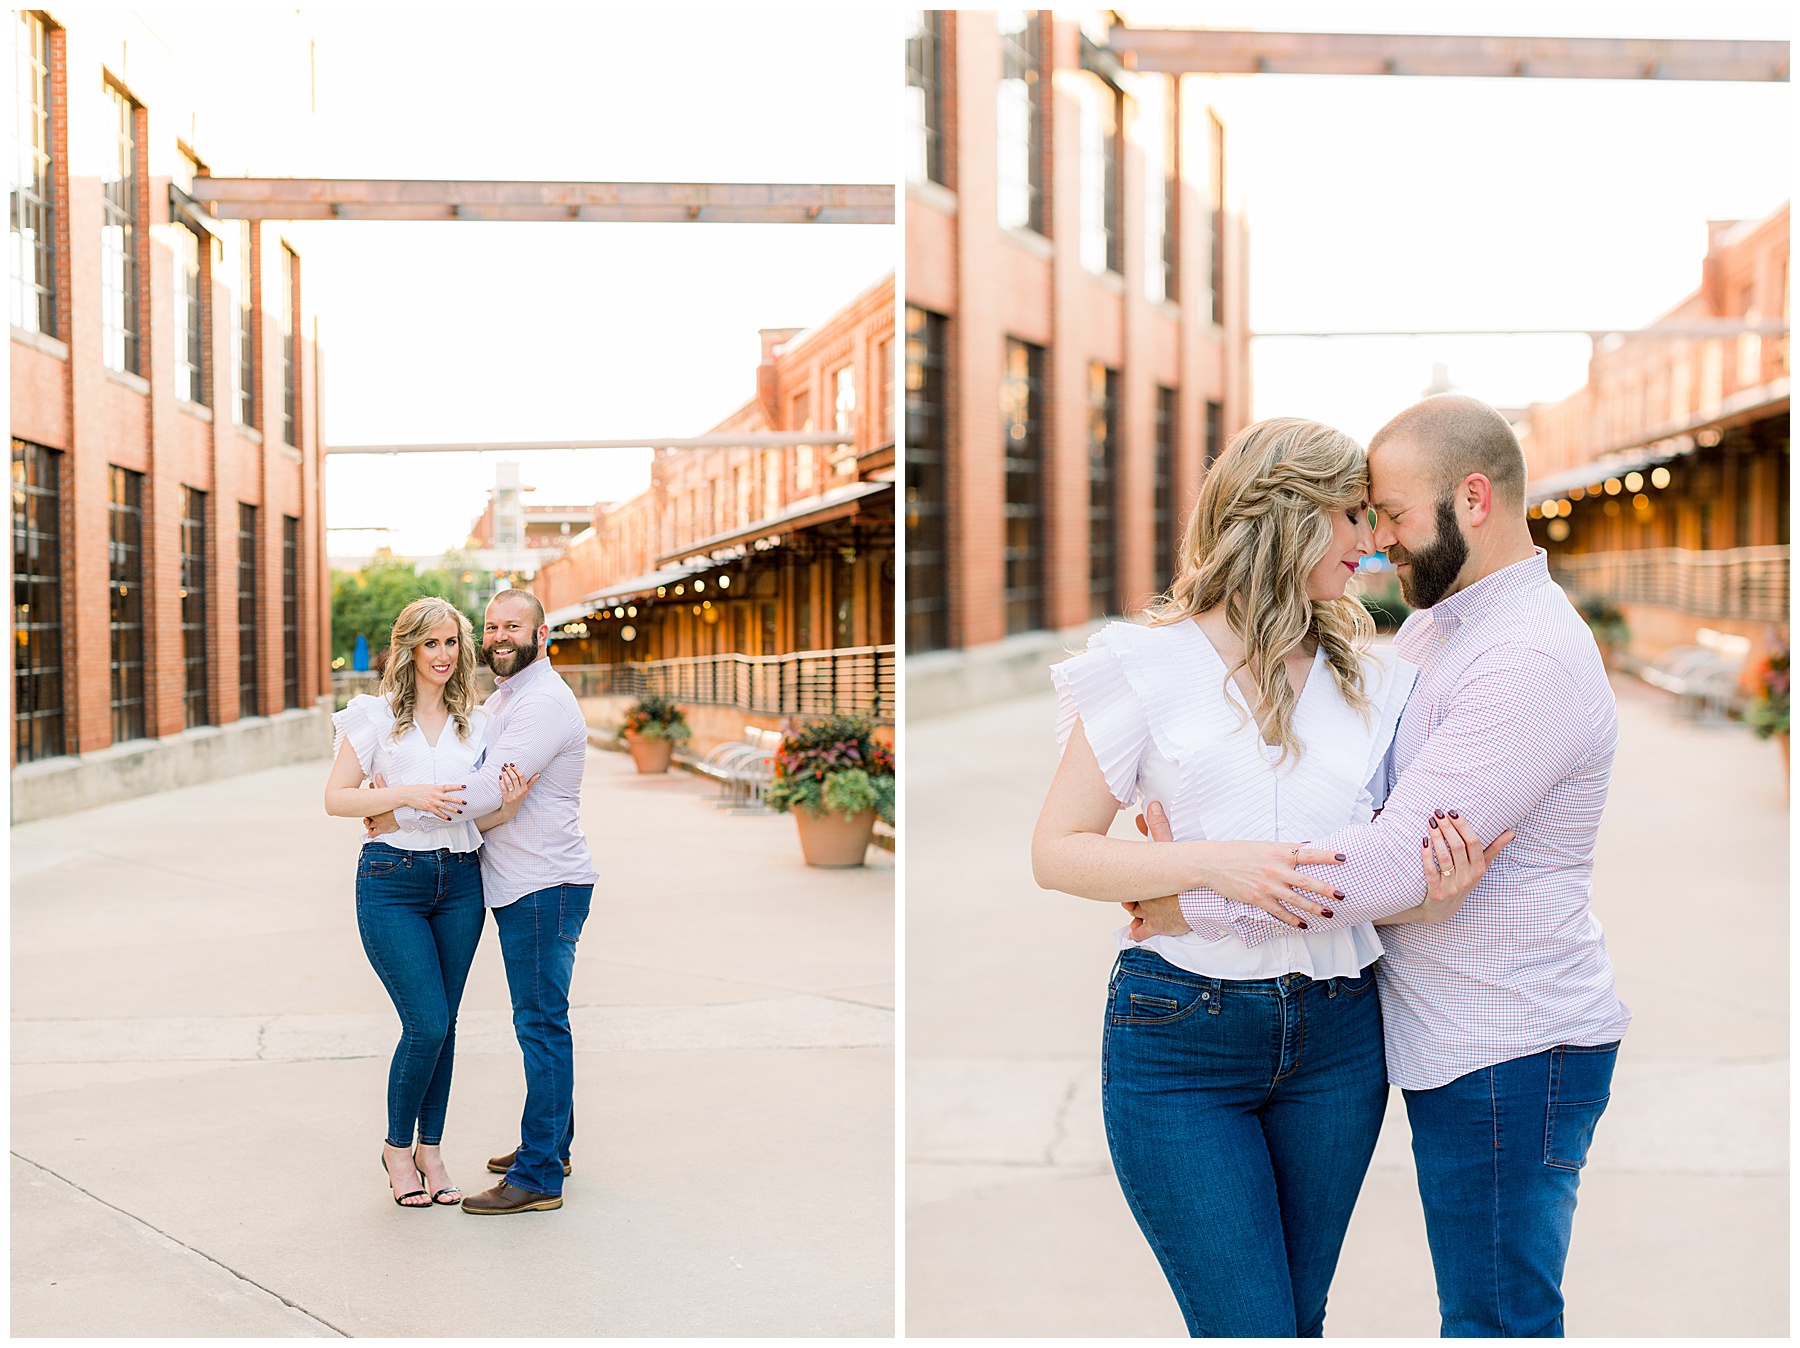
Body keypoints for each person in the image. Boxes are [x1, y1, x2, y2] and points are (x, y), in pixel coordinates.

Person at [1131, 395, 1630, 1337]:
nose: (1377, 542)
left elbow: (1398, 861)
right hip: (1448, 1031)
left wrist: (1191, 894)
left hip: (1509, 1040)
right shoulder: (1445, 623)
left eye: (1392, 515)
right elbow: (1365, 808)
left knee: (1498, 1322)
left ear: (1472, 499)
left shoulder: (1526, 657)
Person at [1032, 417, 1509, 1337]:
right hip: (1180, 1040)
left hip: (1338, 1040)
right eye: (1352, 515)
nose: (1373, 541)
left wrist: (1432, 893)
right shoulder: (1142, 664)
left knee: (1298, 1319)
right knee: (1247, 1325)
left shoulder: (1374, 675)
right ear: (1284, 515)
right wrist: (1208, 867)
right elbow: (1057, 849)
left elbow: (1378, 866)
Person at [366, 587, 596, 1215]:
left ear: (541, 635)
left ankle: (540, 1173)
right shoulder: (505, 700)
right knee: (540, 1020)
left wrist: (397, 811)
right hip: (516, 880)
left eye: (512, 627)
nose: (498, 637)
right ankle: (552, 1141)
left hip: (542, 883)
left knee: (541, 1023)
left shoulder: (543, 703)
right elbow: (476, 777)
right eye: (491, 626)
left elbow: (488, 790)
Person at [324, 597, 535, 1209]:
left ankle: (432, 1151)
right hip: (392, 882)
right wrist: (405, 796)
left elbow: (478, 810)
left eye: (451, 643)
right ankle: (397, 1147)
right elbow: (337, 799)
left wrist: (510, 807)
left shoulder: (480, 724)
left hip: (461, 882)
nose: (443, 656)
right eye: (431, 643)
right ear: (409, 649)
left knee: (447, 1025)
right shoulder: (374, 718)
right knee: (427, 1023)